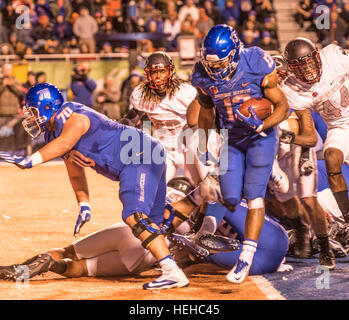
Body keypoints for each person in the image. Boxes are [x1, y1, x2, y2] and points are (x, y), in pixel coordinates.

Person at [0, 82, 189, 290]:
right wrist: (84, 204)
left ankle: (172, 271)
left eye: (33, 112)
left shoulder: (71, 116)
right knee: (148, 222)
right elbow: (75, 172)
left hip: (138, 155)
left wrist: (30, 160)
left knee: (133, 215)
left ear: (48, 107)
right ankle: (170, 268)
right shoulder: (55, 133)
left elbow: (66, 142)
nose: (30, 118)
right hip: (144, 153)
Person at [0, 182, 289, 282]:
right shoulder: (218, 204)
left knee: (67, 252)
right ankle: (53, 267)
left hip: (136, 236)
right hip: (144, 261)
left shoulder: (179, 202)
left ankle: (26, 270)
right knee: (79, 268)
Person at [190, 24, 289, 284]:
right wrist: (203, 143)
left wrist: (263, 125)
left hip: (260, 137)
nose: (215, 69)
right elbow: (206, 112)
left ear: (235, 52)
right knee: (231, 197)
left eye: (221, 63)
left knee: (254, 195)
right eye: (211, 64)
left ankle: (247, 253)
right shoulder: (203, 75)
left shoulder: (256, 62)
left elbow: (283, 106)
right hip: (232, 138)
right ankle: (220, 231)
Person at [281, 38, 349, 229]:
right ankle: (348, 220)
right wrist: (288, 136)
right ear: (291, 69)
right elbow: (310, 135)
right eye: (298, 67)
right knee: (331, 157)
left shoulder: (334, 56)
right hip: (339, 127)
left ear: (317, 56)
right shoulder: (291, 89)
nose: (306, 70)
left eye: (308, 62)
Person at [120, 51, 202, 184]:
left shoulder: (184, 91)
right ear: (148, 74)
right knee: (156, 189)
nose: (158, 76)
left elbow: (203, 114)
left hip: (189, 148)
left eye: (162, 71)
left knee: (195, 190)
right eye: (154, 72)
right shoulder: (142, 94)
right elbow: (131, 119)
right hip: (164, 149)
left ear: (170, 72)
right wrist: (113, 127)